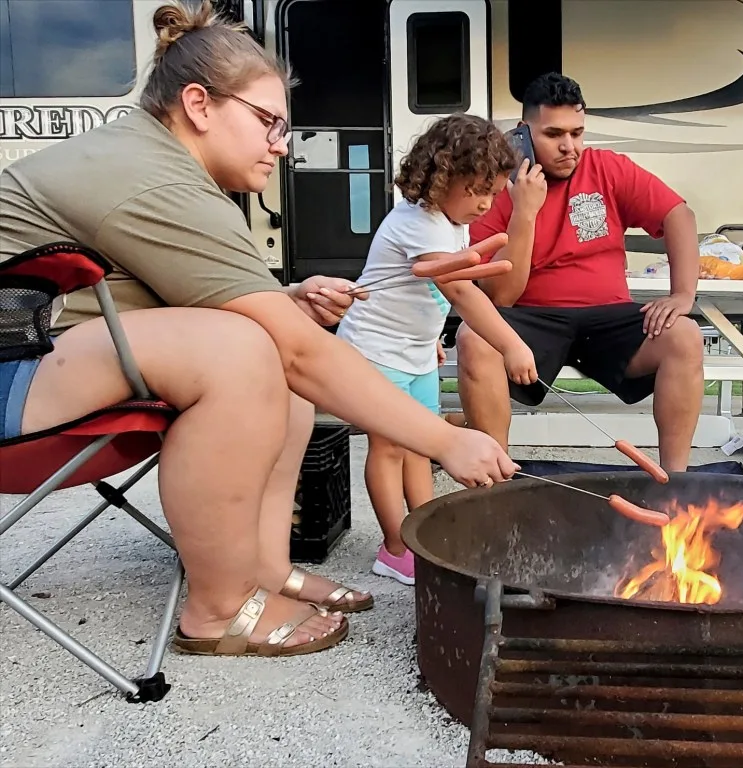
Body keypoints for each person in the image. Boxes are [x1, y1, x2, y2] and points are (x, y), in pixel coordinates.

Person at [0, 1, 517, 659]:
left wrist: (287, 296)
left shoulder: (158, 165)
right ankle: (217, 609)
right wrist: (447, 439)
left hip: (36, 360)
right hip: (12, 375)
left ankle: (264, 568)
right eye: (268, 122)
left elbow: (226, 312)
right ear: (200, 104)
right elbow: (300, 352)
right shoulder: (149, 178)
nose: (282, 143)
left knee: (268, 341)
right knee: (248, 349)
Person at [456, 72, 706, 472]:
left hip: (609, 316)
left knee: (686, 335)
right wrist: (525, 211)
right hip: (532, 318)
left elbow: (679, 214)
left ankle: (674, 483)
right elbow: (501, 297)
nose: (568, 147)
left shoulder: (608, 168)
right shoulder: (498, 187)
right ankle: (495, 481)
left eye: (577, 133)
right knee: (474, 336)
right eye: (553, 134)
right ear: (522, 133)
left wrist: (683, 295)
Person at [337, 114, 538, 586]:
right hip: (375, 350)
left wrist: (430, 343)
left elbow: (420, 296)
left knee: (422, 445)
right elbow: (461, 293)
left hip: (415, 352)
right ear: (441, 176)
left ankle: (423, 532)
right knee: (388, 447)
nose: (486, 203)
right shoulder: (419, 222)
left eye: (494, 192)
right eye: (476, 190)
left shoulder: (452, 223)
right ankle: (392, 547)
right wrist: (511, 344)